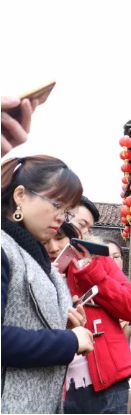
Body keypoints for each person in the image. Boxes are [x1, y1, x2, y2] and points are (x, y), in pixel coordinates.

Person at [1, 156, 94, 413]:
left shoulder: (31, 251)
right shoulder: (4, 248)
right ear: (20, 196)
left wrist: (57, 320)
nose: (61, 219)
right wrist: (68, 341)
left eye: (66, 211)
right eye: (57, 205)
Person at [55, 225, 131, 414]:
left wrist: (92, 274)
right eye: (46, 239)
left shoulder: (97, 260)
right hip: (54, 386)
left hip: (109, 380)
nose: (53, 247)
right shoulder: (30, 265)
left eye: (60, 237)